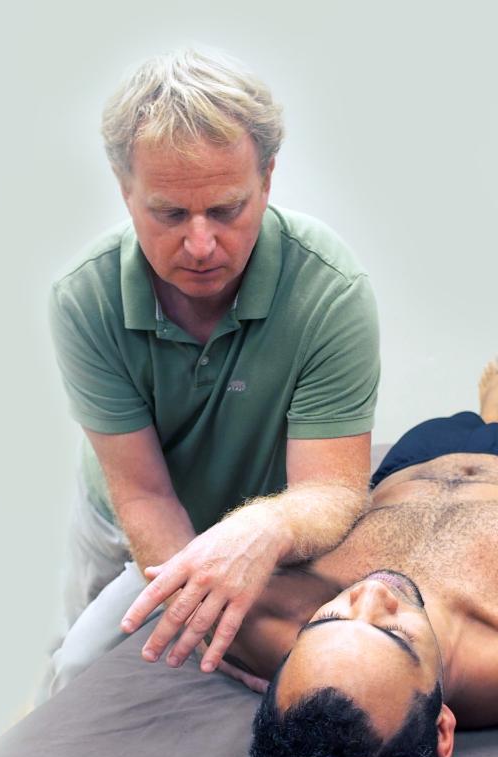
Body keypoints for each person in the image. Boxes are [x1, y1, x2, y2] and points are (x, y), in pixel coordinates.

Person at [43, 45, 380, 698]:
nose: (200, 245)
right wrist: (194, 606)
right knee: (75, 665)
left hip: (262, 514)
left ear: (268, 178)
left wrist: (259, 528)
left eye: (226, 210)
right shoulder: (84, 299)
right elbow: (143, 496)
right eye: (170, 214)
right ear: (125, 189)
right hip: (120, 511)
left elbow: (332, 490)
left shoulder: (329, 291)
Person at [129, 360, 498, 757]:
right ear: (441, 727)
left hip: (412, 463)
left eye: (327, 619)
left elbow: (177, 575)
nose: (371, 591)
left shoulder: (259, 625)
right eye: (396, 634)